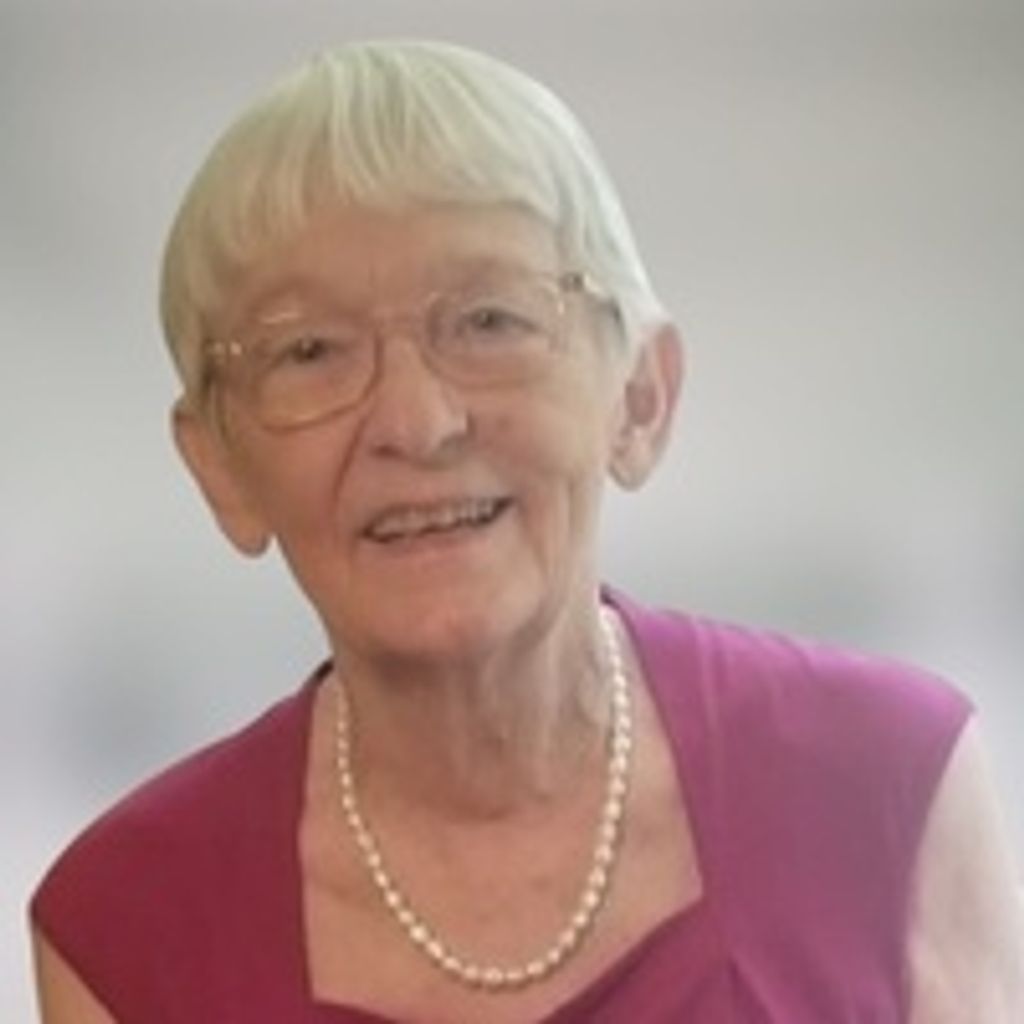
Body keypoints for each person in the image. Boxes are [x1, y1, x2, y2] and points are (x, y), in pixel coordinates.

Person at [30, 39, 1024, 1023]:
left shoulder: (881, 783)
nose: (417, 421)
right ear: (218, 464)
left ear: (641, 396)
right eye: (310, 351)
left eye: (488, 321)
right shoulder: (125, 929)